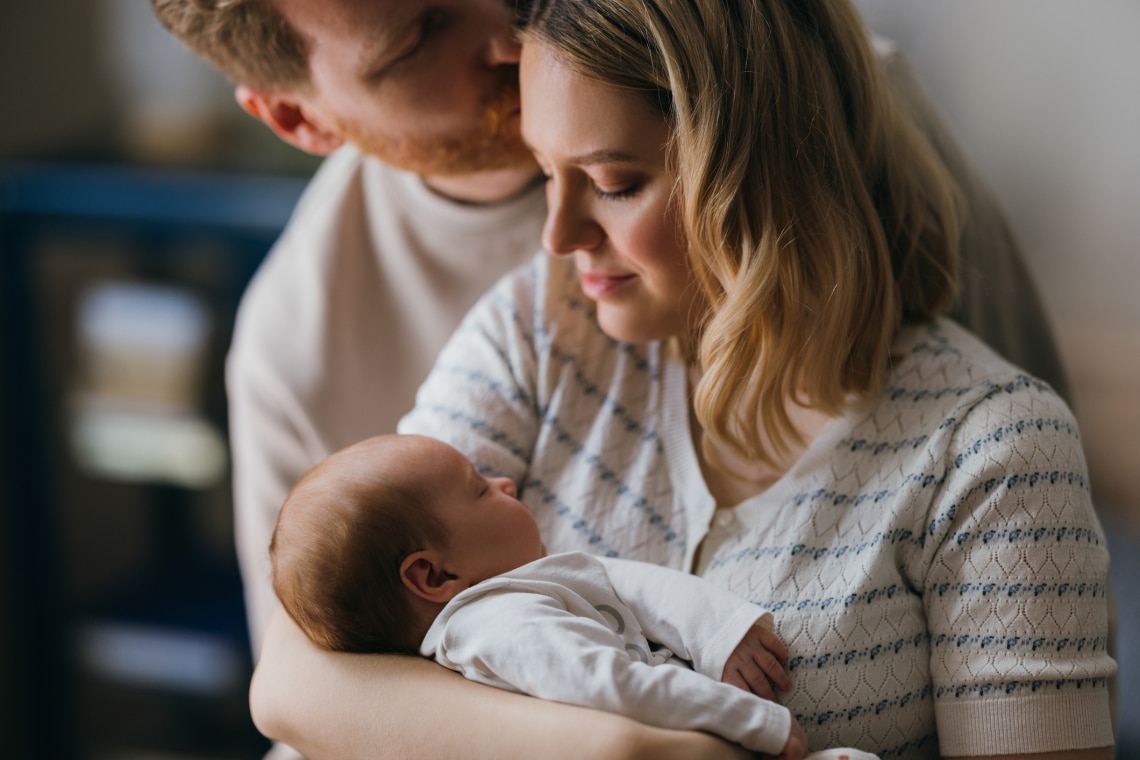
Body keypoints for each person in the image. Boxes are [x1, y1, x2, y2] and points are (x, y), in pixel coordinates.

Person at [248, 0, 1116, 758]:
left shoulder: (994, 451)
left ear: (768, 168)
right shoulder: (536, 329)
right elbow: (302, 676)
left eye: (615, 183)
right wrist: (620, 749)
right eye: (547, 174)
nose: (557, 235)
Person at [270, 432, 816, 758]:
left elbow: (625, 583)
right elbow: (613, 685)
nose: (506, 484)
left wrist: (720, 631)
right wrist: (754, 720)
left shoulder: (514, 594)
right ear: (434, 578)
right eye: (481, 489)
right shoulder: (499, 627)